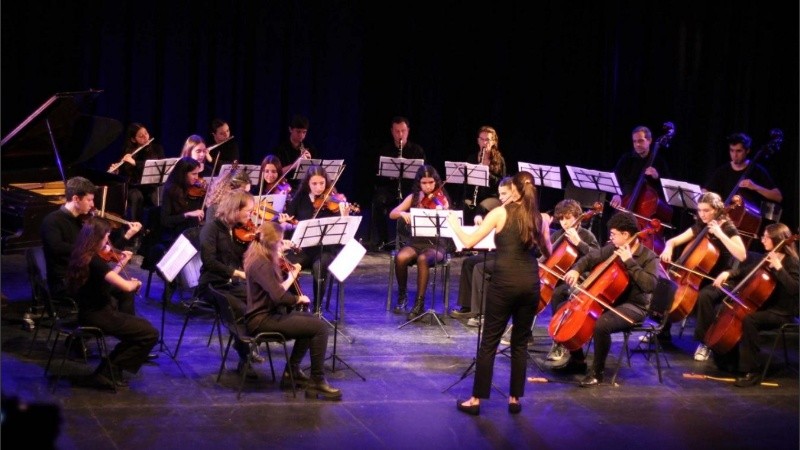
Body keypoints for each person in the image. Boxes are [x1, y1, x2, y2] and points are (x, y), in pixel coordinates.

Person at [447, 171, 551, 415]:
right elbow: (547, 252)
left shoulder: (500, 212)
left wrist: (453, 224)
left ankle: (475, 400)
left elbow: (469, 242)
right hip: (530, 284)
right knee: (520, 344)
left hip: (504, 283)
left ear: (514, 189)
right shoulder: (540, 217)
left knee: (490, 342)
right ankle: (514, 399)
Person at [551, 212, 658, 387]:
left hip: (634, 306)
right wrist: (577, 269)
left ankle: (597, 372)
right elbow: (591, 257)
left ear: (625, 235)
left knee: (601, 324)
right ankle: (577, 361)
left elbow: (649, 285)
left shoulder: (648, 257)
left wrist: (630, 262)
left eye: (614, 234)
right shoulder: (613, 248)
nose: (611, 237)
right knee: (564, 305)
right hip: (611, 301)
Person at [243, 220, 342, 399]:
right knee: (320, 328)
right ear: (272, 243)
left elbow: (276, 290)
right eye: (280, 241)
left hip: (266, 314)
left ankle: (292, 372)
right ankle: (317, 381)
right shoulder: (262, 264)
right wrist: (297, 298)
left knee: (310, 322)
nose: (283, 244)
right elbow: (279, 297)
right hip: (262, 320)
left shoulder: (258, 255)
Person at [65, 217, 159, 388]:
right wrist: (135, 283)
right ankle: (109, 369)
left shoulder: (83, 255)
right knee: (149, 333)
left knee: (141, 331)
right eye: (106, 236)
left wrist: (122, 262)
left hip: (90, 312)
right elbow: (126, 285)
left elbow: (107, 279)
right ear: (97, 238)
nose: (108, 240)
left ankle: (110, 369)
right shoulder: (95, 262)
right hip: (99, 315)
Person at [705, 223, 798, 387]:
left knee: (750, 320)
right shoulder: (768, 256)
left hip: (782, 311)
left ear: (777, 239)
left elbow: (794, 289)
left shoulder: (792, 262)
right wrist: (729, 273)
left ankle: (752, 371)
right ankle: (730, 360)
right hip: (765, 305)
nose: (762, 240)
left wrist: (779, 268)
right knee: (726, 310)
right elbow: (746, 271)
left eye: (766, 237)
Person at [659, 191, 747, 359]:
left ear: (717, 209)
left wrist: (720, 233)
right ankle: (662, 331)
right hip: (700, 276)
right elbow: (674, 240)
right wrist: (668, 247)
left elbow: (742, 255)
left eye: (706, 210)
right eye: (700, 210)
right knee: (669, 285)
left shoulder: (728, 227)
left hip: (722, 278)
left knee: (705, 296)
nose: (702, 214)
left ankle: (705, 343)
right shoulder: (701, 224)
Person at [40, 177, 142, 311]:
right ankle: (113, 325)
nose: (92, 204)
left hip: (85, 275)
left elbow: (106, 248)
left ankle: (122, 325)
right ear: (76, 199)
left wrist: (127, 236)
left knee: (122, 291)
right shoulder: (52, 221)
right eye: (89, 200)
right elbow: (56, 248)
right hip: (67, 281)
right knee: (117, 292)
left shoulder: (84, 220)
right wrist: (91, 250)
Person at [197, 190, 263, 378]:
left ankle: (246, 343)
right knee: (238, 308)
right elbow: (209, 262)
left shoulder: (237, 230)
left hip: (231, 284)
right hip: (212, 285)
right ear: (235, 209)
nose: (251, 215)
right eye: (248, 211)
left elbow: (243, 258)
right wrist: (237, 273)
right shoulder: (211, 229)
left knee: (256, 301)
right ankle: (245, 356)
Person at [278, 164, 349, 309]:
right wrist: (284, 221)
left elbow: (343, 230)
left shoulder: (333, 200)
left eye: (322, 183)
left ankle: (317, 308)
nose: (318, 187)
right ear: (307, 183)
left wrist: (345, 215)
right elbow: (289, 219)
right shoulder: (300, 197)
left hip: (325, 250)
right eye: (314, 183)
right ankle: (299, 299)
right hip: (303, 249)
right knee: (285, 265)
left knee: (319, 267)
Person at [542, 198, 601, 362]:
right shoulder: (558, 234)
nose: (564, 223)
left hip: (580, 279)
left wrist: (579, 243)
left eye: (568, 218)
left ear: (577, 217)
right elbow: (547, 255)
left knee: (558, 294)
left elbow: (597, 258)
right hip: (558, 277)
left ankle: (558, 342)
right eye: (561, 219)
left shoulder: (586, 235)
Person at [389, 164, 451, 319]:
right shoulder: (414, 198)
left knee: (423, 259)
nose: (428, 186)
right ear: (419, 183)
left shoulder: (441, 199)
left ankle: (419, 303)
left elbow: (449, 217)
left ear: (436, 182)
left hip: (436, 244)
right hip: (416, 242)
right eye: (424, 183)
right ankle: (402, 296)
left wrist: (442, 211)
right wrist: (402, 213)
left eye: (431, 182)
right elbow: (392, 213)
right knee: (401, 257)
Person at [449, 177, 513, 322]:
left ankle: (481, 314)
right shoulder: (502, 209)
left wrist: (455, 226)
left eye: (504, 194)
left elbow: (469, 242)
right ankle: (468, 307)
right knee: (469, 262)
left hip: (509, 258)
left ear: (514, 192)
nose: (501, 198)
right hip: (499, 252)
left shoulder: (509, 211)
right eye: (500, 194)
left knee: (480, 267)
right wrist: (484, 222)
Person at [609, 125, 672, 253]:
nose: (637, 144)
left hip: (645, 214)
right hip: (626, 203)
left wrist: (657, 176)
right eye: (635, 141)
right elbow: (614, 179)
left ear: (649, 140)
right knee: (613, 224)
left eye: (641, 141)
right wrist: (616, 194)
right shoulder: (626, 159)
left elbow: (668, 189)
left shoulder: (659, 161)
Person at [370, 116, 426, 251]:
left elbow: (423, 175)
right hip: (390, 189)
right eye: (397, 131)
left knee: (419, 200)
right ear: (392, 131)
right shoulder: (385, 150)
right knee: (378, 201)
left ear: (408, 131)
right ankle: (382, 240)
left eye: (403, 131)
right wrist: (391, 176)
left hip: (410, 189)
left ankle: (413, 241)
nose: (400, 134)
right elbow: (377, 176)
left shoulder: (417, 150)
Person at [703, 132, 783, 207]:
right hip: (727, 217)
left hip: (749, 219)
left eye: (739, 151)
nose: (735, 155)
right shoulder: (723, 170)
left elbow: (778, 197)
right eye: (732, 150)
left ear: (747, 151)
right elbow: (706, 190)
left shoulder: (757, 170)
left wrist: (755, 186)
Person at [111, 123, 165, 223]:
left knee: (157, 196)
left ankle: (156, 228)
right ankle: (136, 228)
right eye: (141, 136)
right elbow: (124, 175)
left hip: (151, 186)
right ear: (133, 139)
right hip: (134, 188)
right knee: (137, 196)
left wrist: (136, 163)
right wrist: (116, 171)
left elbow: (158, 166)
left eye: (146, 133)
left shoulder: (157, 149)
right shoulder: (128, 152)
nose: (145, 137)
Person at [160, 157, 205, 246]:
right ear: (183, 174)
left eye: (198, 174)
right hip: (176, 234)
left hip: (193, 232)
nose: (197, 178)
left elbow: (201, 214)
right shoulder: (170, 191)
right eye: (193, 174)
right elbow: (165, 220)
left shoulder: (197, 190)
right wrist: (186, 215)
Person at [466, 126, 506, 218]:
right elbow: (466, 183)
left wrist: (486, 173)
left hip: (492, 196)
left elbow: (502, 183)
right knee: (466, 206)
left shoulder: (499, 160)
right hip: (475, 196)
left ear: (493, 142)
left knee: (481, 207)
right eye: (482, 139)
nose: (484, 142)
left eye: (487, 140)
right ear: (478, 141)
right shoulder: (471, 158)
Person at [272, 115, 315, 182]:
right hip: (286, 185)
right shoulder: (280, 149)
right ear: (290, 129)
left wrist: (310, 163)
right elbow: (275, 174)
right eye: (298, 131)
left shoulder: (310, 147)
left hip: (304, 185)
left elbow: (316, 173)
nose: (301, 135)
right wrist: (295, 165)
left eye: (304, 132)